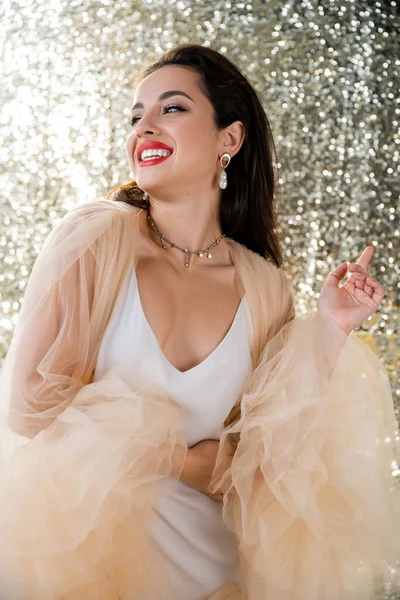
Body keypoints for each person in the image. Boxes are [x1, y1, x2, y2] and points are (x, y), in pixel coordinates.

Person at [0, 44, 399, 600]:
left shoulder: (265, 285)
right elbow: (30, 409)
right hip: (89, 575)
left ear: (229, 140)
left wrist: (332, 325)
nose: (144, 128)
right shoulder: (95, 240)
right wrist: (187, 460)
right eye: (135, 116)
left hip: (217, 576)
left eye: (172, 109)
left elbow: (265, 459)